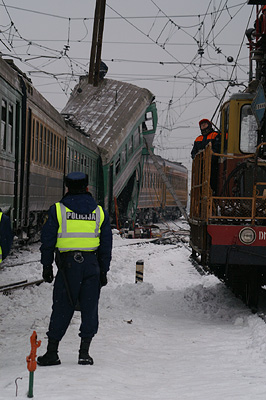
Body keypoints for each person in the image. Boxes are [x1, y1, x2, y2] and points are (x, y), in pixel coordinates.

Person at [37, 172, 112, 367]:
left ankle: (52, 352)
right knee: (90, 308)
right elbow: (106, 245)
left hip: (68, 266)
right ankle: (84, 353)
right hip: (91, 265)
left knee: (62, 307)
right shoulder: (99, 212)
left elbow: (47, 240)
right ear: (87, 188)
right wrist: (104, 270)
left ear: (67, 188)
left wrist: (46, 265)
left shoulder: (58, 210)